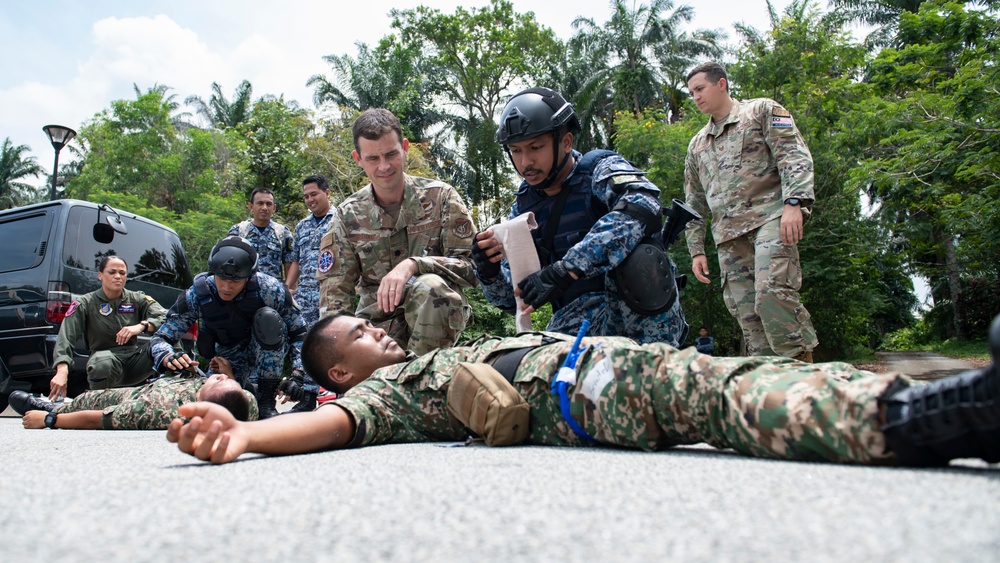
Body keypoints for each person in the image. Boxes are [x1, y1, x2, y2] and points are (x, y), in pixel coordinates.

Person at [168, 313, 1000, 470]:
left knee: (745, 382)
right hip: (595, 392)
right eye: (361, 335)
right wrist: (245, 437)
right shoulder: (385, 398)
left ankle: (954, 399)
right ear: (340, 368)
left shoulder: (431, 354)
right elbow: (337, 424)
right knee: (735, 397)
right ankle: (952, 411)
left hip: (603, 367)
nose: (379, 333)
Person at [474, 87, 687, 346]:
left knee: (642, 259)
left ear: (566, 142)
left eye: (535, 147)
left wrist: (569, 268)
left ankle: (657, 363)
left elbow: (643, 206)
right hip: (576, 318)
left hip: (635, 312)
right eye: (516, 151)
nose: (525, 161)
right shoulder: (523, 210)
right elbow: (514, 299)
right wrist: (489, 272)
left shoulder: (600, 170)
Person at [684, 62, 818, 361]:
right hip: (728, 237)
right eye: (691, 93)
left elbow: (793, 155)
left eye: (700, 89)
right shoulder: (697, 145)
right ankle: (772, 388)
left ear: (721, 84)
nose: (695, 97)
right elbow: (693, 201)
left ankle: (803, 371)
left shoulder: (762, 111)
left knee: (772, 294)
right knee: (748, 316)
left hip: (771, 218)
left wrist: (794, 203)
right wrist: (696, 249)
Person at [317, 108, 477, 355]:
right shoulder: (347, 215)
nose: (384, 166)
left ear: (404, 147)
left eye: (391, 154)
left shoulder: (442, 197)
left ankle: (420, 379)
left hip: (436, 324)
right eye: (372, 159)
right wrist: (336, 354)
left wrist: (415, 265)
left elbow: (473, 268)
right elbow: (336, 297)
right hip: (377, 334)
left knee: (430, 286)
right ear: (358, 159)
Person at [149, 236, 309, 419]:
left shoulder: (271, 290)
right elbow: (161, 337)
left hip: (267, 356)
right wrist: (167, 355)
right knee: (217, 403)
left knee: (268, 319)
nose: (226, 287)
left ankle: (266, 401)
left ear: (248, 277)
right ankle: (250, 389)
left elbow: (300, 333)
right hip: (227, 359)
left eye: (235, 282)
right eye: (221, 279)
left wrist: (298, 373)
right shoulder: (198, 294)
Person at [11, 357, 256, 429]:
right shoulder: (246, 403)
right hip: (162, 384)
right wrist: (230, 375)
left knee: (91, 400)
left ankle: (51, 407)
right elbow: (228, 397)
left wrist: (49, 421)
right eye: (230, 382)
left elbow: (97, 419)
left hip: (141, 396)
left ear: (202, 403)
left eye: (219, 381)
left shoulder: (156, 410)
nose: (222, 378)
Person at [48, 256, 167, 402]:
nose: (118, 276)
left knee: (167, 342)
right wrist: (62, 371)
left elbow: (169, 318)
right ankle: (99, 403)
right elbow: (66, 337)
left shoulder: (137, 299)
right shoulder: (85, 303)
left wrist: (142, 326)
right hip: (104, 362)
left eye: (122, 273)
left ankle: (179, 391)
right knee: (102, 361)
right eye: (112, 272)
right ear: (100, 275)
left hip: (135, 361)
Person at [283, 174, 336, 411]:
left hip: (332, 290)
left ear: (327, 193)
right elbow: (295, 261)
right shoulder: (302, 226)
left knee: (332, 343)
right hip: (305, 294)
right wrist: (287, 289)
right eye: (305, 196)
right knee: (305, 344)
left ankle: (339, 394)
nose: (309, 200)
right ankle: (307, 398)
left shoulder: (341, 219)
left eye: (313, 194)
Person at [228, 187, 294, 282]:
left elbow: (289, 265)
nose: (264, 208)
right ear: (251, 207)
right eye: (260, 203)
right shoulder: (238, 231)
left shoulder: (283, 232)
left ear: (274, 208)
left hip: (273, 291)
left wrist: (289, 290)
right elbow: (229, 261)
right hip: (244, 291)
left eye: (269, 204)